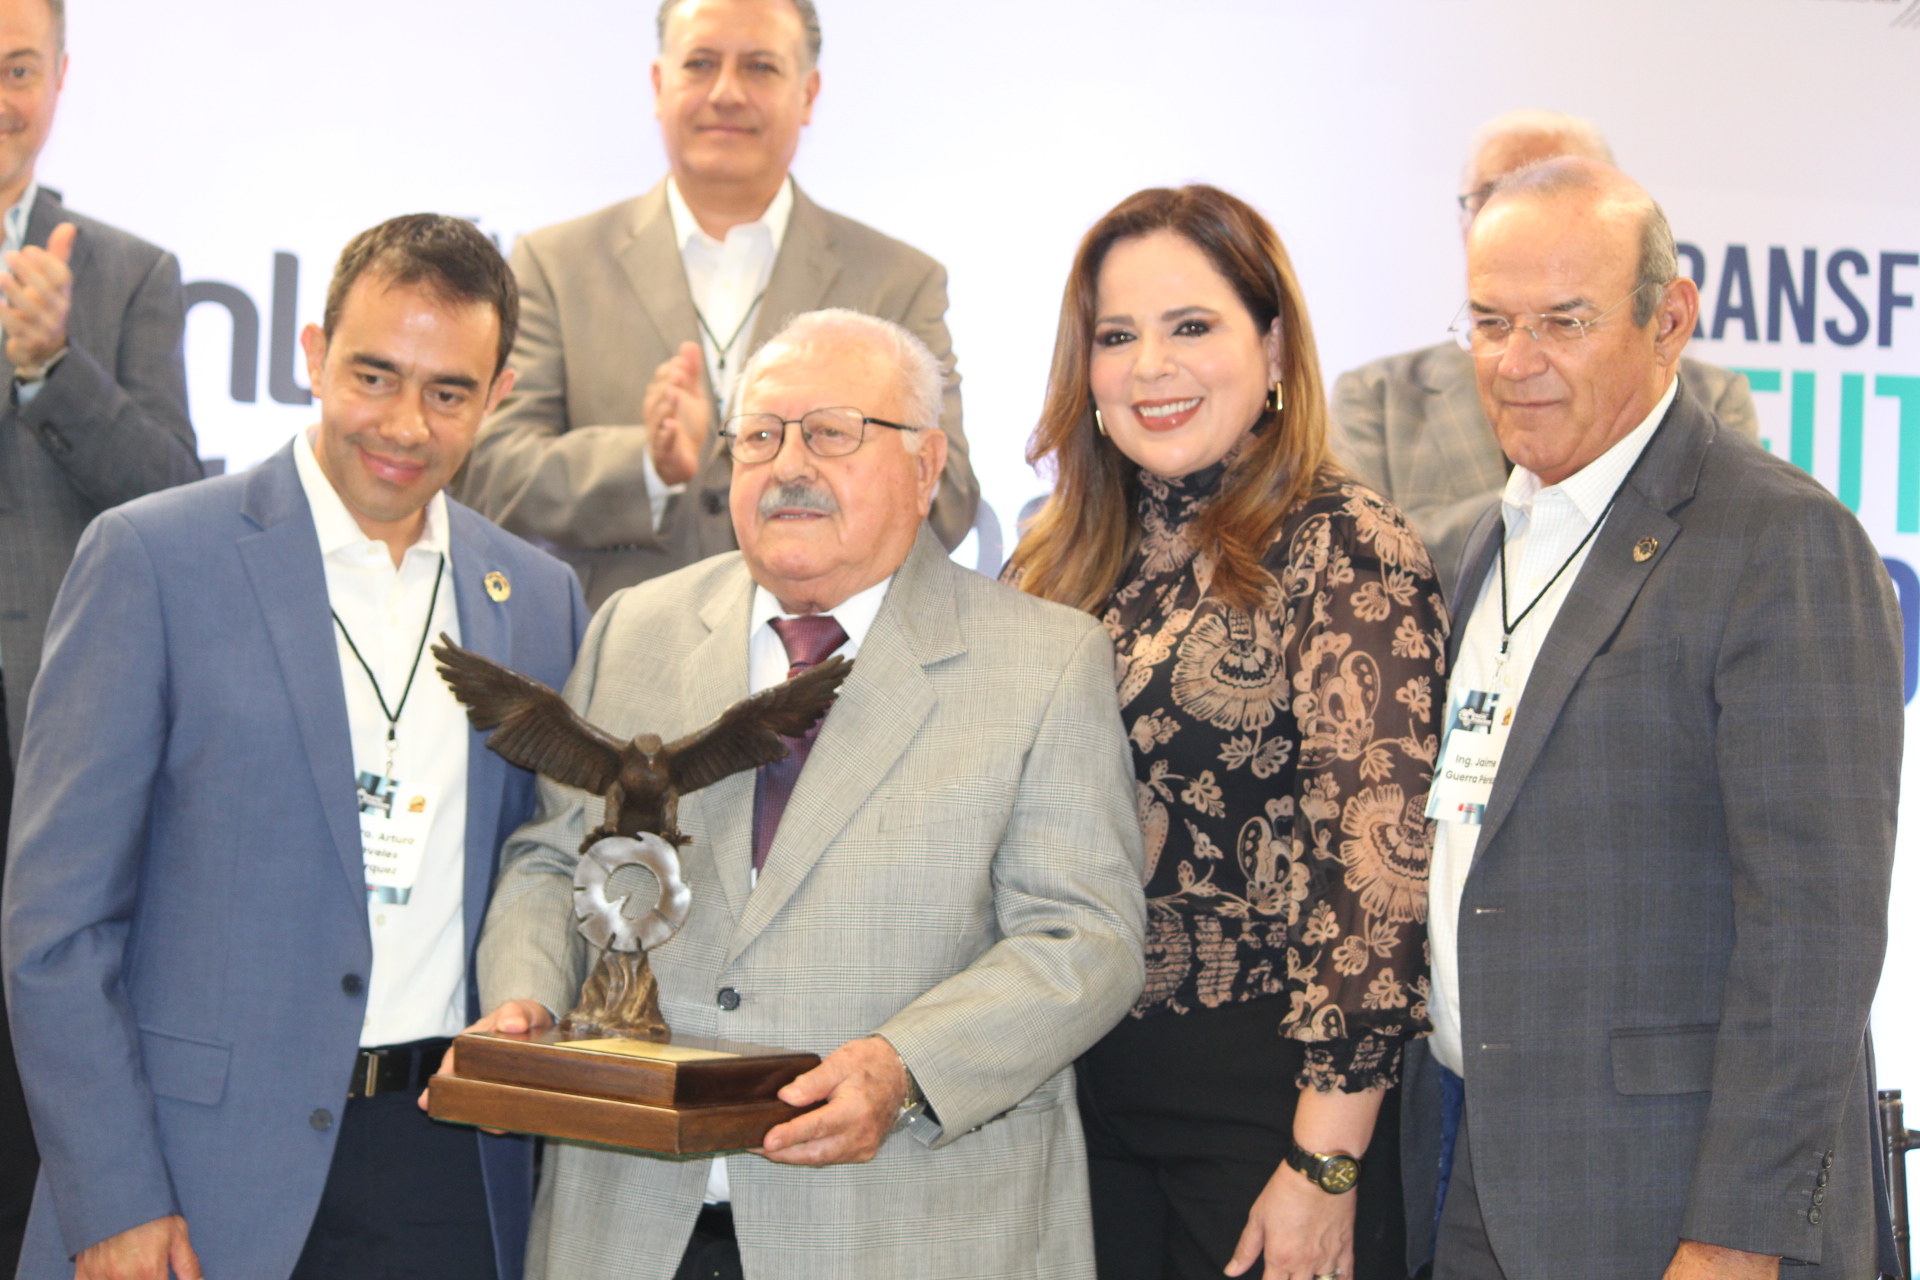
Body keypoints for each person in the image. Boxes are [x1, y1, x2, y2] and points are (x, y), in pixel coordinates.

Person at [469, 307, 1145, 1279]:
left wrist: (906, 1068)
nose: (789, 465)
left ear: (926, 465)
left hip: (905, 1228)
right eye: (760, 435)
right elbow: (552, 856)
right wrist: (523, 1001)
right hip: (632, 1228)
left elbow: (1086, 938)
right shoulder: (634, 628)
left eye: (831, 433)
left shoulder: (1045, 661)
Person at [3, 215, 587, 1280]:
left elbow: (542, 865)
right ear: (313, 356)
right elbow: (55, 925)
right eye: (373, 375)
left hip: (451, 1171)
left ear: (498, 395)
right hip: (193, 1178)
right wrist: (113, 1194)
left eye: (448, 392)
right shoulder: (152, 557)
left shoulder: (540, 599)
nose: (404, 424)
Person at [1409, 156, 1900, 1280]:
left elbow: (1815, 931)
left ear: (1669, 320)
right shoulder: (1477, 543)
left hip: (1676, 1206)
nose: (1517, 360)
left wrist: (1738, 1231)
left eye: (1564, 321)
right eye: (1491, 321)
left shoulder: (1780, 540)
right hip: (1476, 1174)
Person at [1006, 185, 1445, 1280]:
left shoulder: (1347, 546)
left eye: (1191, 325)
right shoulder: (1052, 564)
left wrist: (1324, 1164)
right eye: (1117, 336)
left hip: (1268, 1119)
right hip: (1063, 1105)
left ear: (1274, 346)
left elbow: (1379, 874)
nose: (1151, 367)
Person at [457, 0, 978, 608]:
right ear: (659, 84)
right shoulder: (556, 263)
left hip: (830, 656)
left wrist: (833, 459)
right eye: (700, 64)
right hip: (612, 652)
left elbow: (948, 495)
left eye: (760, 67)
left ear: (808, 94)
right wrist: (647, 467)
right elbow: (487, 473)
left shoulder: (897, 280)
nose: (727, 93)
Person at [0, 0, 199, 1263]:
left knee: (40, 1061)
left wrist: (53, 367)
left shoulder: (129, 271)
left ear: (62, 78)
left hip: (50, 738)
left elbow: (172, 494)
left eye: (18, 68)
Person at [1329, 110, 1756, 600]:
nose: (1517, 365)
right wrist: (1567, 505)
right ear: (1462, 221)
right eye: (1494, 196)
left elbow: (1713, 561)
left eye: (1560, 191)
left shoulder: (1711, 399)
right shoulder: (1377, 397)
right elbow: (1351, 568)